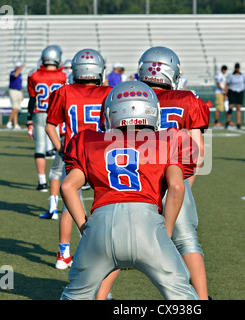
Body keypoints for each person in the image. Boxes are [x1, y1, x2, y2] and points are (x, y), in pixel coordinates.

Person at [60, 80, 200, 300]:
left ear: (111, 113)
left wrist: (84, 228)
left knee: (75, 296)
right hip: (148, 225)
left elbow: (68, 186)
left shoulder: (88, 141)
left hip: (100, 226)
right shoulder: (169, 139)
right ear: (153, 111)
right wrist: (168, 229)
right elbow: (176, 185)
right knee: (182, 295)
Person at [99, 46, 210, 300]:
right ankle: (202, 299)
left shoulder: (125, 95)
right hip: (173, 177)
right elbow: (198, 153)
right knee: (187, 241)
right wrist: (180, 185)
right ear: (173, 73)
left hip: (132, 177)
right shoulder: (188, 100)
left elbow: (108, 141)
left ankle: (100, 296)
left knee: (116, 245)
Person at [44, 49, 113, 271]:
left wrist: (61, 149)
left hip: (75, 156)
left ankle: (63, 255)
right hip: (103, 155)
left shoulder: (64, 92)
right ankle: (107, 250)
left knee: (68, 206)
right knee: (109, 203)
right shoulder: (110, 92)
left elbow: (50, 126)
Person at [26, 45, 67, 192]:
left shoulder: (34, 75)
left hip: (40, 113)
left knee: (40, 147)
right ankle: (60, 178)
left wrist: (29, 119)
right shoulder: (64, 76)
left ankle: (42, 182)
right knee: (61, 148)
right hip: (57, 115)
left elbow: (32, 99)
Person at [224, 63, 245, 129]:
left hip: (240, 92)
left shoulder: (243, 76)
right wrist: (225, 94)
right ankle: (227, 121)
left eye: (238, 67)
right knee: (230, 107)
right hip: (232, 91)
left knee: (238, 108)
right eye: (236, 67)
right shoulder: (231, 75)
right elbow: (227, 85)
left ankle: (238, 123)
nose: (237, 69)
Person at [6, 61, 25, 130]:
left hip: (18, 91)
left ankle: (16, 124)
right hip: (13, 91)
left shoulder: (20, 74)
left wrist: (22, 94)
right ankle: (9, 122)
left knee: (16, 109)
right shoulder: (13, 72)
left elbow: (20, 85)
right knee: (15, 108)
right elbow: (15, 75)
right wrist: (20, 68)